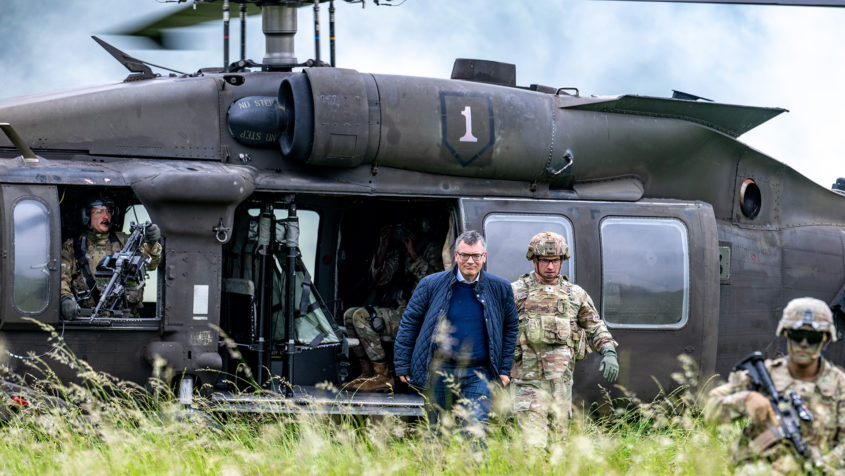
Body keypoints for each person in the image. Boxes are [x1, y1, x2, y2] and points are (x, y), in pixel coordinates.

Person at [394, 230, 519, 433]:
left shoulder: (500, 287)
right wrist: (402, 364)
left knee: (474, 431)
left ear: (484, 257)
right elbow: (410, 322)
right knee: (437, 433)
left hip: (478, 373)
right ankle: (437, 465)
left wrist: (504, 369)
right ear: (455, 256)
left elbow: (511, 327)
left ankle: (474, 465)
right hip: (439, 371)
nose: (470, 261)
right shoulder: (431, 284)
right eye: (464, 255)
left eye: (476, 256)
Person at [706, 297, 845, 474]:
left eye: (812, 338)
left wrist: (811, 467)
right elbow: (709, 410)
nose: (803, 344)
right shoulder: (765, 375)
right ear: (786, 336)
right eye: (796, 336)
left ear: (825, 342)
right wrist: (745, 400)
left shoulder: (840, 385)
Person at [510, 231, 619, 448]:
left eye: (555, 260)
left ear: (562, 260)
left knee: (558, 446)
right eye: (544, 261)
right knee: (533, 445)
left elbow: (594, 325)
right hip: (527, 382)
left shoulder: (574, 295)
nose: (550, 266)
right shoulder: (516, 292)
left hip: (560, 384)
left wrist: (608, 350)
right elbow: (498, 329)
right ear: (534, 260)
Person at [344, 220, 443, 392]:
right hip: (400, 311)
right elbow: (378, 279)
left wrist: (413, 254)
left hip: (420, 318)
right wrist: (383, 247)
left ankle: (384, 376)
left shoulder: (431, 249)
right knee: (350, 315)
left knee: (361, 316)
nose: (402, 234)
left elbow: (434, 282)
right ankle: (368, 373)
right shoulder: (398, 252)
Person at [60, 195, 162, 319]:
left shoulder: (126, 241)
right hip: (87, 319)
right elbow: (61, 278)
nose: (106, 216)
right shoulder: (73, 246)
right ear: (86, 215)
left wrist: (152, 244)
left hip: (126, 319)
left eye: (109, 211)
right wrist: (65, 298)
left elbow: (150, 265)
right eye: (99, 211)